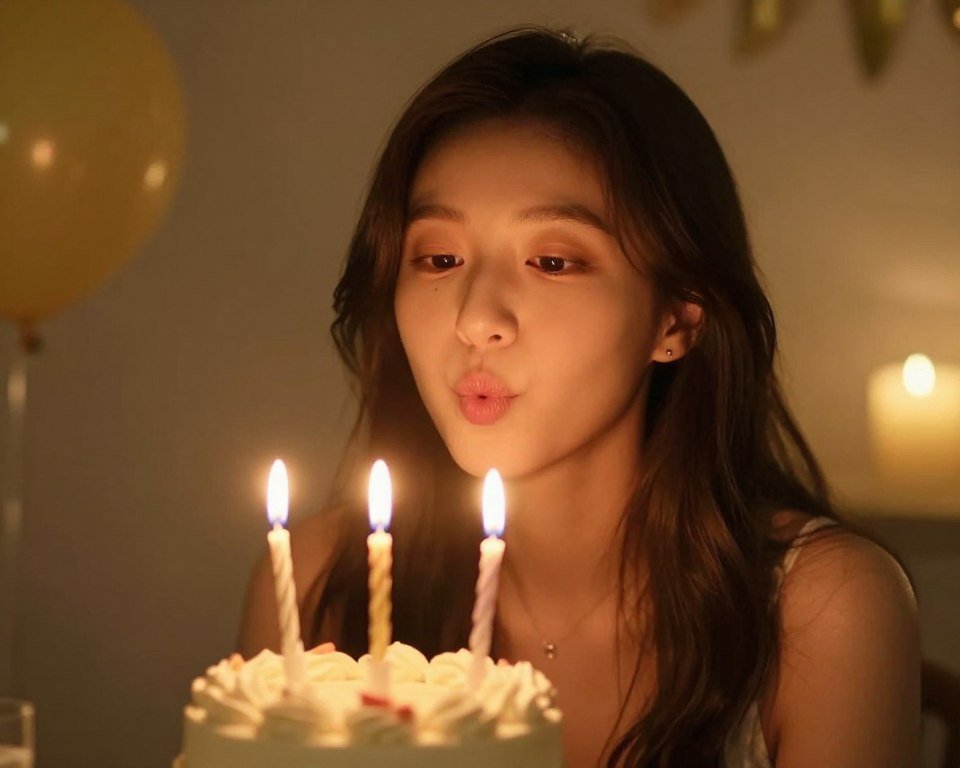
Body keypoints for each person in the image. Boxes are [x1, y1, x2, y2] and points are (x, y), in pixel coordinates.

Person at [238, 27, 920, 767]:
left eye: (553, 261)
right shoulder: (314, 584)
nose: (475, 319)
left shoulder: (820, 610)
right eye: (438, 258)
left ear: (675, 317)